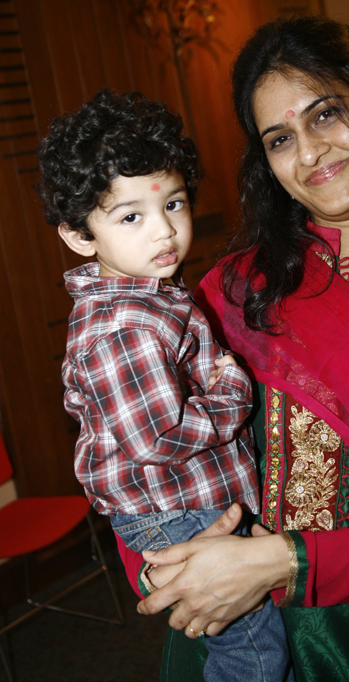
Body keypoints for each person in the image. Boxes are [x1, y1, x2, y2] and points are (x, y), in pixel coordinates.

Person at [117, 16, 349, 682]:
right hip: (246, 637)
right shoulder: (230, 293)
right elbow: (145, 459)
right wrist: (171, 569)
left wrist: (283, 563)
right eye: (280, 138)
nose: (311, 152)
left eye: (326, 114)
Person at [36, 88, 293, 682]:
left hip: (188, 499)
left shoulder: (149, 296)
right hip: (175, 510)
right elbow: (158, 438)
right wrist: (234, 395)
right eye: (132, 216)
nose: (165, 233)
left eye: (173, 205)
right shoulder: (123, 328)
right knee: (251, 650)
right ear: (79, 235)